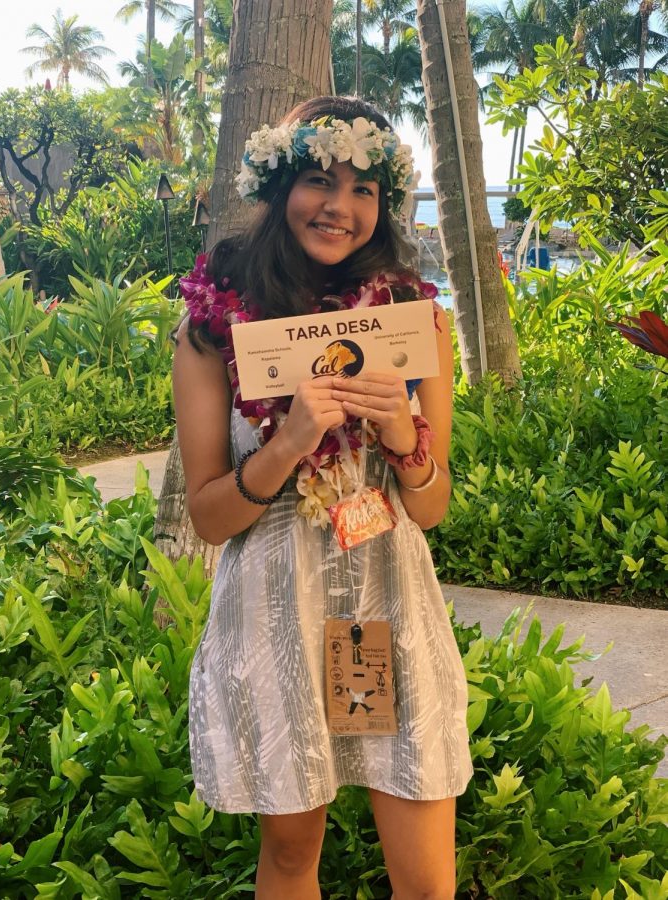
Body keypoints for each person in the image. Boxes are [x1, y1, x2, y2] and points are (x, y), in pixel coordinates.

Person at [172, 95, 473, 900]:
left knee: (427, 881)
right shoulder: (215, 319)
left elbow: (432, 507)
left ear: (383, 206)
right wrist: (288, 442)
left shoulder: (413, 320)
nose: (339, 207)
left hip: (389, 602)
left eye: (363, 189)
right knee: (290, 858)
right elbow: (207, 515)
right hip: (278, 610)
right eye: (317, 180)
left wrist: (407, 444)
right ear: (278, 186)